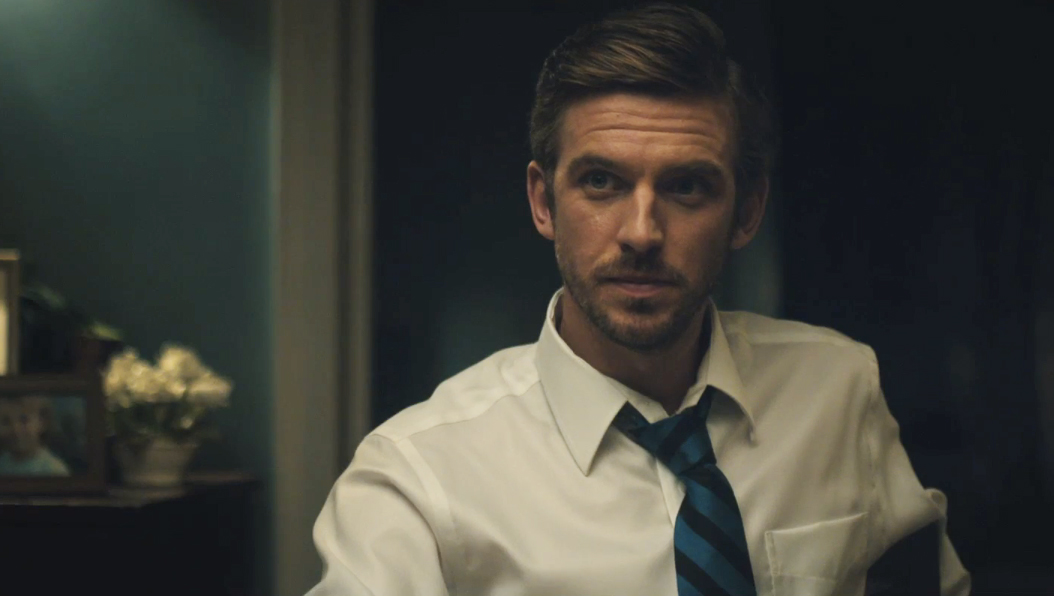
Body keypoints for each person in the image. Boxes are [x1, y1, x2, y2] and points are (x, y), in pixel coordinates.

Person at [307, 4, 970, 595]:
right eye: (602, 181)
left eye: (687, 187)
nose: (642, 233)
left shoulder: (838, 390)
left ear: (746, 212)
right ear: (544, 202)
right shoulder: (420, 479)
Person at [0, 395, 71, 477]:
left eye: (24, 420)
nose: (15, 430)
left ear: (42, 423)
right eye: (6, 421)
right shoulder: (2, 463)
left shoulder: (54, 470)